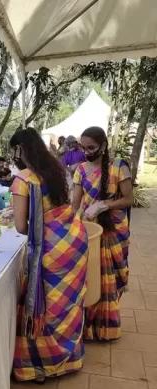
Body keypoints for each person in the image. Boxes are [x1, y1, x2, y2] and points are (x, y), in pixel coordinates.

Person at [10, 128, 88, 383]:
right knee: (67, 303)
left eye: (13, 150)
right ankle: (70, 357)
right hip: (74, 240)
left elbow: (22, 228)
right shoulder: (54, 170)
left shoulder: (23, 179)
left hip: (50, 248)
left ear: (19, 149)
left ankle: (45, 364)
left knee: (47, 304)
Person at [73, 126, 134, 341]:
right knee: (90, 277)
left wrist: (104, 205)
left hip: (114, 229)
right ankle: (88, 328)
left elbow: (129, 199)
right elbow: (74, 205)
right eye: (83, 147)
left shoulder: (118, 166)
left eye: (91, 147)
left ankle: (107, 327)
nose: (87, 151)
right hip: (90, 230)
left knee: (109, 278)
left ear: (103, 145)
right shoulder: (80, 170)